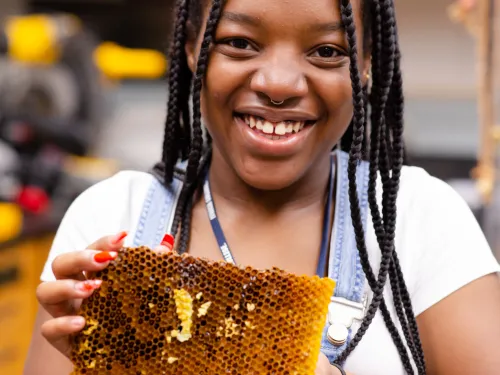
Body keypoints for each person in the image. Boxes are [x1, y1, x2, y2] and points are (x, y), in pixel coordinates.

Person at [24, 0, 500, 374]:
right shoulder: (111, 217)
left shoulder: (419, 218)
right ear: (192, 48)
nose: (278, 83)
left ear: (367, 63)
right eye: (240, 43)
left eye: (327, 51)